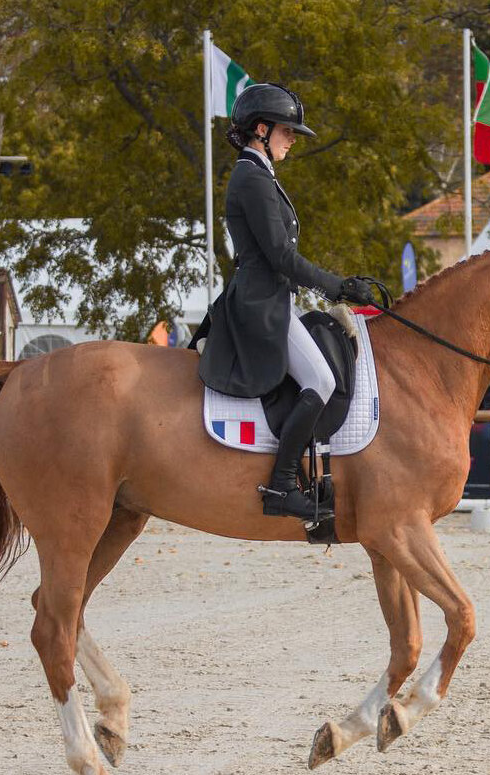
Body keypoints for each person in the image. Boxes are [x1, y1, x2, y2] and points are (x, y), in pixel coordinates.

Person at [196, 83, 374, 520]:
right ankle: (281, 487)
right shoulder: (251, 177)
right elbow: (280, 256)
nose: (292, 138)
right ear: (261, 130)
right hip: (260, 304)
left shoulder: (261, 175)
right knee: (322, 381)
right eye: (286, 131)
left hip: (274, 299)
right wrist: (337, 286)